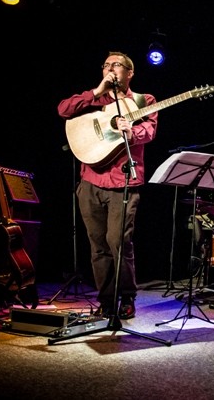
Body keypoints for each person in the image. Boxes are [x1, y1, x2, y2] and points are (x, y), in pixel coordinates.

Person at [57, 51, 159, 319]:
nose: (110, 69)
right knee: (98, 245)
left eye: (116, 65)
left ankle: (126, 296)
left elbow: (149, 131)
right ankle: (105, 300)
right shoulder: (95, 98)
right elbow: (63, 110)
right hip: (90, 181)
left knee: (118, 242)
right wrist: (95, 91)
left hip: (122, 182)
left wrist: (131, 130)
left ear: (129, 72)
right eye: (106, 65)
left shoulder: (143, 101)